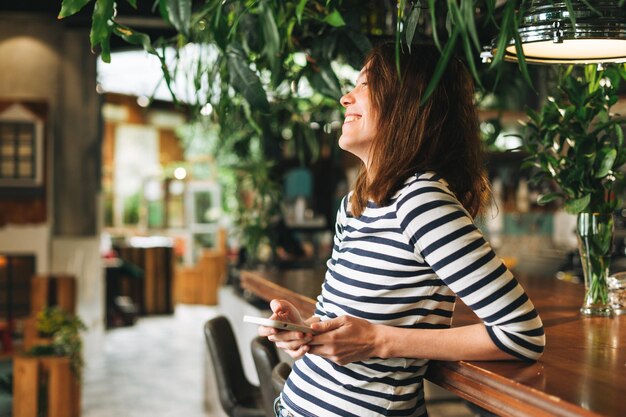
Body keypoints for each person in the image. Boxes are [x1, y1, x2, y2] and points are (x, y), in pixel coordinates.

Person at [259, 42, 545, 417]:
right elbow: (348, 323)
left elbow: (521, 335)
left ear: (409, 104)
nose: (346, 98)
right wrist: (307, 330)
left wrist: (379, 342)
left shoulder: (422, 201)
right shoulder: (356, 204)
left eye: (365, 85)